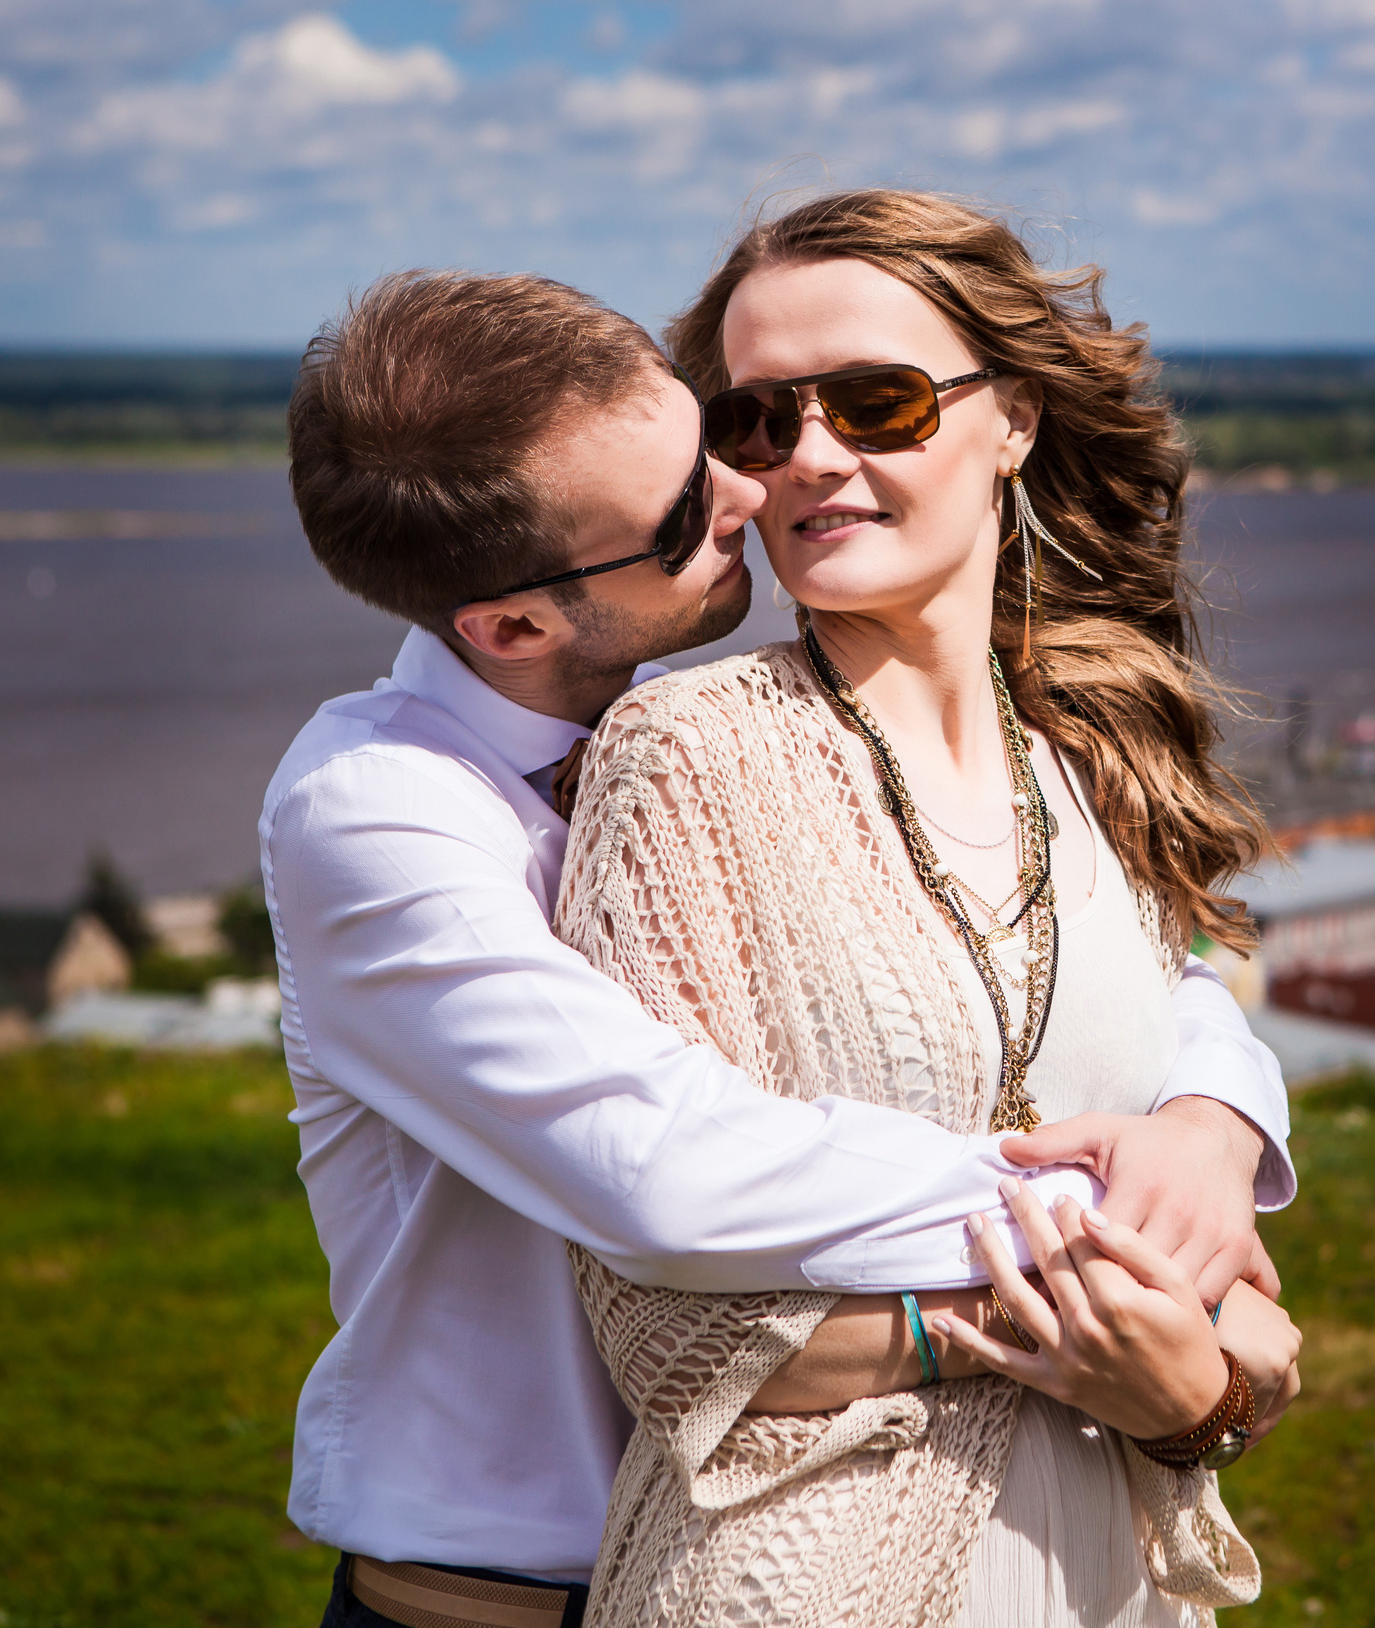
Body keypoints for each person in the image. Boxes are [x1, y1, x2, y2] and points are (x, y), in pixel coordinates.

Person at [266, 269, 1296, 1628]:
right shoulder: (382, 816)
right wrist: (1118, 1245)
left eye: (714, 436)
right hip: (513, 1598)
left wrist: (1211, 1126)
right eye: (695, 505)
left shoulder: (765, 750)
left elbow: (1097, 961)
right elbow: (672, 1166)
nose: (760, 490)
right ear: (512, 628)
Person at [550, 189, 1298, 1627]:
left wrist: (1194, 1386)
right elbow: (653, 1326)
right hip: (790, 1592)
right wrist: (1099, 1333)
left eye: (876, 402)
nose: (809, 456)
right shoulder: (688, 755)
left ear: (1010, 419)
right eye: (757, 421)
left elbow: (1253, 1329)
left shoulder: (1099, 758)